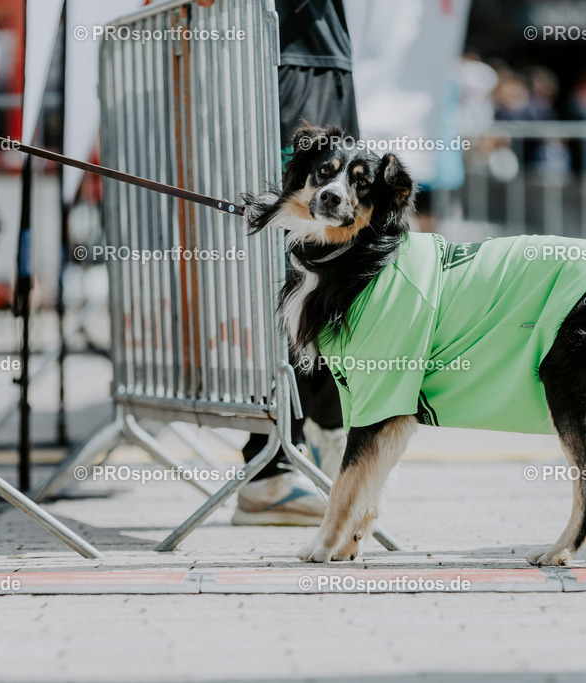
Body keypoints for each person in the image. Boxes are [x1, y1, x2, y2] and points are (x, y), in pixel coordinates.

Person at [195, 0, 355, 525]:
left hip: (308, 56)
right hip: (291, 56)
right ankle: (275, 466)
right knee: (297, 265)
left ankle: (320, 445)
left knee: (326, 262)